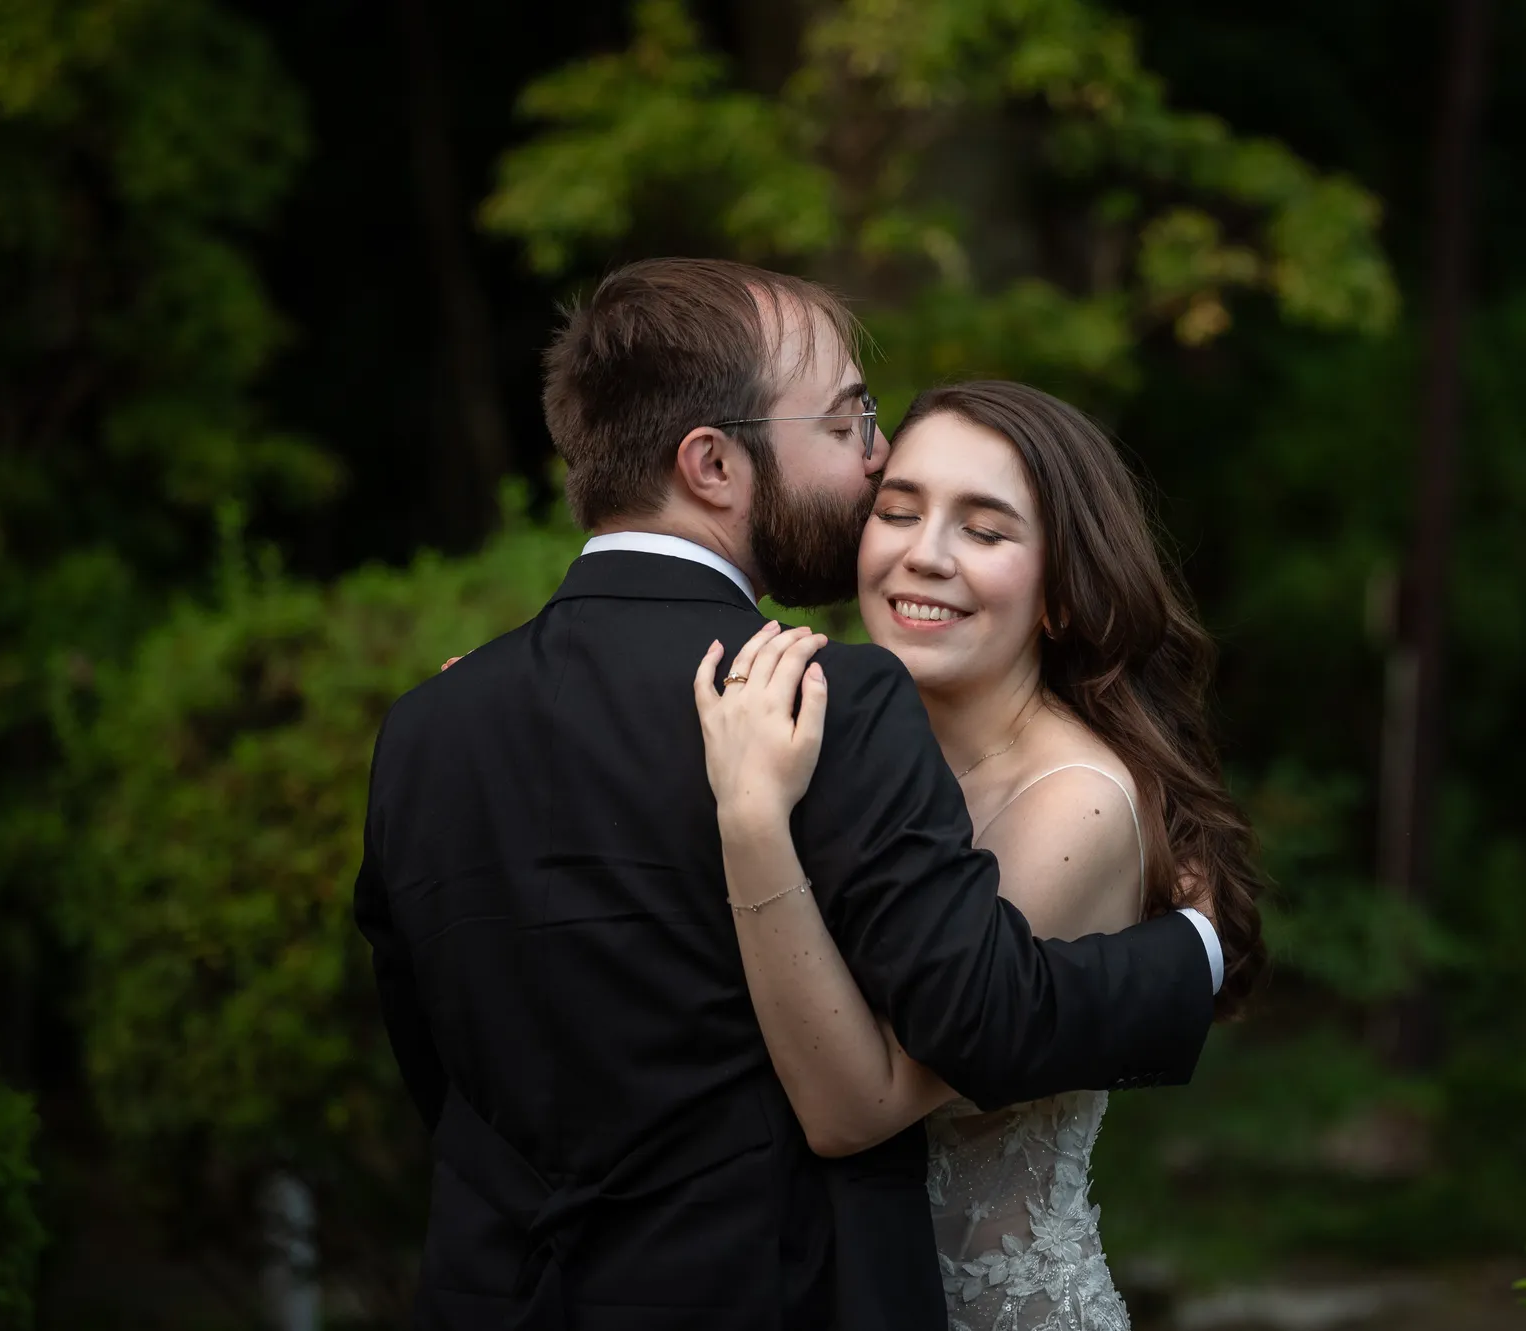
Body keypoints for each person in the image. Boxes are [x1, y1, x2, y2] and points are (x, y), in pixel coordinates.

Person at [351, 258, 1231, 1331]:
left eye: (982, 525)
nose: (871, 459)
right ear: (714, 462)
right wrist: (1193, 950)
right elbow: (979, 1016)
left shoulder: (429, 725)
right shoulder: (828, 701)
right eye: (849, 423)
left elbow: (437, 1058)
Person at [691, 381, 1265, 1331]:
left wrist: (753, 826)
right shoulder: (819, 739)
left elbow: (854, 1110)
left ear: (1061, 597)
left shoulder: (1075, 802)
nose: (925, 553)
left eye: (985, 530)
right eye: (897, 511)